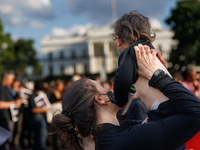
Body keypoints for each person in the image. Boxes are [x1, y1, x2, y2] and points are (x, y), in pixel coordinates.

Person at [52, 44, 200, 150]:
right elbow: (195, 114)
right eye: (103, 88)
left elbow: (164, 120)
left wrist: (157, 73)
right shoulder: (126, 140)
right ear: (100, 99)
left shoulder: (106, 136)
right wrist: (158, 76)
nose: (109, 89)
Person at [112, 11, 167, 108]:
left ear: (119, 40)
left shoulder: (131, 52)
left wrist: (119, 100)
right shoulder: (152, 51)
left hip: (160, 109)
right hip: (170, 103)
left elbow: (122, 81)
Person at [0, 71, 22, 150]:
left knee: (7, 142)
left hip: (8, 118)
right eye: (11, 79)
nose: (12, 81)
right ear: (5, 78)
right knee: (4, 143)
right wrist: (14, 102)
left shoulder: (6, 89)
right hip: (4, 119)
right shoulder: (1, 88)